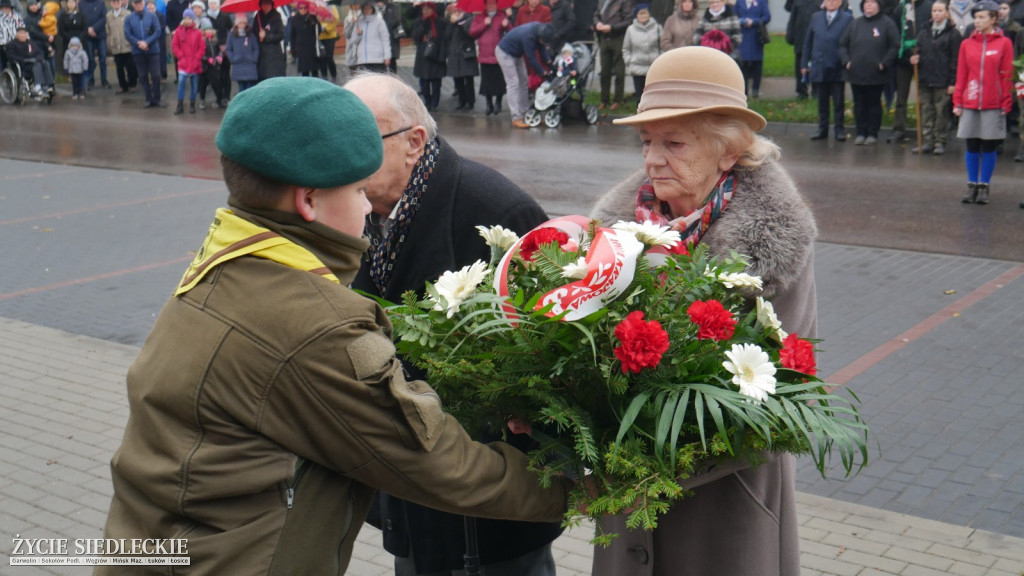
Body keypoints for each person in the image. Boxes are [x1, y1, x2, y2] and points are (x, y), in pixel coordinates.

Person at [96, 76, 572, 576]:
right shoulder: (312, 321)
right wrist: (578, 485)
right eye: (355, 190)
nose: (368, 206)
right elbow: (431, 460)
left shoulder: (222, 260)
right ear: (309, 202)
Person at [588, 45, 816, 576]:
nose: (651, 159)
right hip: (627, 511)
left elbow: (786, 392)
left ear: (727, 151)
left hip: (725, 508)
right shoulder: (616, 234)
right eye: (646, 141)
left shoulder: (776, 245)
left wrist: (640, 466)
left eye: (673, 143)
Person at [344, 70, 563, 576]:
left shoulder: (497, 212)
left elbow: (548, 361)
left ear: (414, 143)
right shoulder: (357, 209)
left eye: (362, 140)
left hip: (490, 511)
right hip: (409, 490)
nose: (344, 156)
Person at [953, 0, 1013, 204]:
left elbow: (1006, 74)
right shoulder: (966, 44)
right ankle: (971, 185)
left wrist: (1006, 101)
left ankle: (984, 185)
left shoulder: (1004, 43)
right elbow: (961, 74)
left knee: (988, 146)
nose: (977, 21)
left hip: (993, 102)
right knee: (971, 145)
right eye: (976, 17)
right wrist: (957, 100)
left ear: (993, 19)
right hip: (970, 100)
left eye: (982, 17)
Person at [840, 0, 899, 145]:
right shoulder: (855, 24)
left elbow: (894, 45)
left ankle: (872, 133)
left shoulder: (887, 23)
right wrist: (846, 61)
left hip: (876, 73)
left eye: (873, 3)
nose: (869, 6)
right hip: (856, 72)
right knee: (858, 104)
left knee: (873, 104)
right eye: (867, 3)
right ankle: (861, 132)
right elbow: (842, 44)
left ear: (879, 6)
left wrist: (884, 62)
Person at [910, 0, 961, 154]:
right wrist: (914, 58)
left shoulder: (953, 33)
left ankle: (940, 141)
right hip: (925, 78)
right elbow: (917, 50)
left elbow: (955, 59)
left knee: (941, 112)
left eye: (940, 11)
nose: (936, 13)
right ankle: (927, 141)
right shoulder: (924, 31)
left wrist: (952, 81)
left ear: (946, 13)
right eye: (934, 11)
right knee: (926, 110)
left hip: (942, 79)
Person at [802, 0, 853, 140]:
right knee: (822, 100)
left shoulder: (847, 18)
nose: (831, 2)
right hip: (819, 65)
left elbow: (850, 41)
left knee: (838, 101)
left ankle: (839, 129)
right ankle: (822, 129)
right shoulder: (816, 17)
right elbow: (808, 42)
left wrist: (847, 60)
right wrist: (804, 64)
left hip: (838, 66)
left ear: (840, 2)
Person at [890, 0, 934, 142]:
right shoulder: (900, 8)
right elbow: (895, 34)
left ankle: (925, 131)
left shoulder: (929, 7)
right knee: (901, 98)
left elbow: (931, 33)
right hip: (903, 59)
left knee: (924, 98)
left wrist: (921, 54)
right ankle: (899, 129)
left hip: (923, 59)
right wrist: (904, 57)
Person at [496, 21, 553, 127]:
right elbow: (531, 58)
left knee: (524, 81)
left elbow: (542, 48)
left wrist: (549, 62)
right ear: (539, 35)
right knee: (514, 83)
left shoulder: (540, 30)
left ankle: (526, 113)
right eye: (542, 40)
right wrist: (543, 72)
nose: (543, 42)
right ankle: (516, 117)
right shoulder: (528, 36)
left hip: (517, 53)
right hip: (505, 52)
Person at [470, 0, 510, 115]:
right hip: (485, 54)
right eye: (489, 3)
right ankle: (489, 103)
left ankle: (498, 102)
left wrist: (506, 25)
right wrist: (484, 24)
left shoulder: (502, 16)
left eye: (493, 3)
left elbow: (511, 31)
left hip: (499, 54)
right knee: (487, 81)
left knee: (499, 81)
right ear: (485, 5)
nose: (491, 6)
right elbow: (472, 32)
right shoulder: (479, 17)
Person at [593, 0, 635, 110]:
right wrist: (597, 23)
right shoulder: (602, 2)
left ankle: (618, 99)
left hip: (618, 38)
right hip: (604, 38)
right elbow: (596, 14)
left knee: (619, 72)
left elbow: (628, 20)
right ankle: (604, 100)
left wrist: (612, 27)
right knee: (604, 72)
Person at [124, 0, 165, 108]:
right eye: (136, 3)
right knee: (143, 76)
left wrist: (147, 42)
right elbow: (127, 34)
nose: (138, 5)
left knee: (156, 75)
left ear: (144, 3)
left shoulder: (152, 16)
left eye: (140, 3)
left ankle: (157, 99)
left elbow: (158, 31)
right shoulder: (129, 18)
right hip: (138, 51)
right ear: (133, 4)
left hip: (153, 51)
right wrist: (138, 43)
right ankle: (148, 99)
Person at [622, 3, 661, 101]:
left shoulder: (657, 28)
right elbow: (626, 48)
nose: (643, 16)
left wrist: (661, 60)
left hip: (653, 68)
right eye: (641, 14)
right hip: (637, 68)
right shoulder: (630, 30)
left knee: (653, 96)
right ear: (636, 16)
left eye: (645, 14)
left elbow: (663, 45)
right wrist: (629, 61)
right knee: (640, 97)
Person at [412, 2, 446, 110]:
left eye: (428, 9)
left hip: (436, 54)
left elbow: (443, 39)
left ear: (433, 10)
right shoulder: (419, 21)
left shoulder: (440, 22)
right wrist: (423, 26)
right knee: (424, 81)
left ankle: (435, 102)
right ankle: (427, 101)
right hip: (423, 55)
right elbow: (416, 37)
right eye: (424, 9)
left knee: (436, 81)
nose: (425, 11)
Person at [445, 4, 478, 110]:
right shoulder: (451, 20)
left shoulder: (469, 18)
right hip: (455, 53)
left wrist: (460, 25)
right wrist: (452, 24)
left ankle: (470, 101)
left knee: (468, 79)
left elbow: (472, 34)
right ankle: (461, 100)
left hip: (466, 52)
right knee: (458, 78)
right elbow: (447, 36)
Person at [735, 0, 770, 98]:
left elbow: (767, 17)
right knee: (743, 64)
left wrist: (754, 21)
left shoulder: (761, 2)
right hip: (743, 37)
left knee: (757, 64)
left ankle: (755, 90)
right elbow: (734, 16)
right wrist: (741, 21)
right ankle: (744, 90)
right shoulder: (739, 2)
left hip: (756, 37)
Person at [171, 7, 203, 114]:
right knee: (181, 84)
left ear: (193, 19)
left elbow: (202, 47)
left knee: (194, 86)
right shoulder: (179, 31)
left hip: (195, 63)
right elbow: (175, 45)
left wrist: (197, 57)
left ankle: (192, 105)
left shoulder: (198, 32)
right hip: (183, 63)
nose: (188, 20)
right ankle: (180, 105)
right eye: (186, 18)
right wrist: (180, 56)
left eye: (190, 18)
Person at [785, 0, 819, 99]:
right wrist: (790, 35)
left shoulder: (821, 2)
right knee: (800, 65)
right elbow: (792, 17)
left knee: (816, 65)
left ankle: (816, 90)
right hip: (800, 37)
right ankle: (801, 91)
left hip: (816, 38)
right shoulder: (798, 2)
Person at [8, 24, 55, 95]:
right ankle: (38, 86)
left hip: (34, 62)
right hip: (22, 65)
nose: (23, 35)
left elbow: (38, 53)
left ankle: (49, 86)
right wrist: (24, 60)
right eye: (21, 33)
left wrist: (38, 59)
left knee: (45, 63)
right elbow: (11, 56)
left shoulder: (31, 43)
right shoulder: (12, 44)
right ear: (17, 35)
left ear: (27, 35)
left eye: (24, 33)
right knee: (37, 65)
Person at [347, 0, 390, 73]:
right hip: (362, 59)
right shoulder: (359, 23)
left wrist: (387, 56)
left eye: (369, 8)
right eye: (365, 8)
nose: (367, 10)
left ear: (373, 9)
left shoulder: (379, 22)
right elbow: (353, 41)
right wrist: (358, 34)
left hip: (377, 59)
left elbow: (385, 39)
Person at [106, 0, 138, 94]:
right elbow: (108, 29)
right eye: (114, 2)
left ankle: (132, 85)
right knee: (119, 68)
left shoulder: (128, 14)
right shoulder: (108, 16)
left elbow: (132, 28)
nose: (116, 4)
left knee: (131, 67)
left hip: (127, 44)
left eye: (118, 2)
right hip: (116, 45)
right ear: (111, 4)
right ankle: (122, 86)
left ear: (121, 3)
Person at [206, 0, 232, 104]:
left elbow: (231, 30)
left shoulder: (225, 16)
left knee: (225, 74)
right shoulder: (206, 18)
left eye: (215, 3)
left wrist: (227, 43)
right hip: (212, 50)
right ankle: (218, 98)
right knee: (216, 76)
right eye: (211, 3)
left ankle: (227, 97)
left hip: (224, 49)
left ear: (218, 5)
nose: (213, 5)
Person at [225, 11, 258, 92]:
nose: (242, 25)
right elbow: (228, 48)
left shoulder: (250, 34)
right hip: (238, 64)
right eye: (240, 23)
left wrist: (254, 58)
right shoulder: (232, 34)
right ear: (236, 24)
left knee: (250, 88)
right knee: (241, 89)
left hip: (250, 65)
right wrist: (232, 59)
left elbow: (256, 48)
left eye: (244, 23)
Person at [80, 0, 108, 89]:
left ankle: (104, 80)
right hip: (88, 36)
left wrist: (94, 28)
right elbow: (81, 17)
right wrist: (88, 29)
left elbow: (104, 18)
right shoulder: (81, 3)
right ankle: (90, 80)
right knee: (90, 59)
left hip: (100, 35)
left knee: (103, 59)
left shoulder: (101, 3)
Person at [254, 0, 285, 81]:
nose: (266, 6)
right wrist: (259, 35)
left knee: (274, 78)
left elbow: (281, 35)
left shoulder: (276, 16)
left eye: (268, 4)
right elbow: (254, 33)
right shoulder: (257, 17)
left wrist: (266, 36)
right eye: (263, 4)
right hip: (261, 55)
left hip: (274, 54)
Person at [289, 0, 321, 77]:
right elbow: (292, 35)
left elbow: (318, 31)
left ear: (307, 8)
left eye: (305, 8)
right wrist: (293, 49)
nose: (303, 9)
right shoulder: (294, 19)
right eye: (301, 8)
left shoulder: (312, 18)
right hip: (301, 49)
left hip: (312, 48)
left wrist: (315, 21)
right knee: (304, 72)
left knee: (314, 71)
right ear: (298, 8)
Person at [197, 21, 225, 107]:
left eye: (210, 29)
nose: (209, 31)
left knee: (216, 83)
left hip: (214, 66)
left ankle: (219, 100)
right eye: (206, 30)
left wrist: (220, 56)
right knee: (203, 84)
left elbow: (219, 51)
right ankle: (202, 100)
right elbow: (200, 53)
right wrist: (206, 59)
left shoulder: (215, 41)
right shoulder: (201, 41)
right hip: (204, 66)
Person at [57, 0, 86, 74]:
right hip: (67, 41)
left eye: (72, 2)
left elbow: (85, 28)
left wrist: (79, 39)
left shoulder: (81, 15)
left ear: (75, 3)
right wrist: (70, 39)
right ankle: (69, 75)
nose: (71, 4)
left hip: (80, 40)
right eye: (69, 2)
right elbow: (61, 30)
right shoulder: (63, 16)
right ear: (66, 4)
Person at [377, 0, 402, 74]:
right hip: (379, 42)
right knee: (380, 67)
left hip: (391, 40)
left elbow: (396, 21)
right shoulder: (375, 8)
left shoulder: (394, 7)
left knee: (392, 65)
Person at [317, 0, 339, 81]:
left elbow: (335, 19)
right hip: (319, 36)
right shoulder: (315, 7)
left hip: (329, 36)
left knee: (329, 57)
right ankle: (324, 76)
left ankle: (334, 75)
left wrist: (326, 27)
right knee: (321, 58)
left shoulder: (331, 6)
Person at [146, 0, 168, 81]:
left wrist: (151, 31)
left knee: (161, 58)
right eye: (148, 5)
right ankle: (153, 77)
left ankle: (163, 75)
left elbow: (162, 27)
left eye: (151, 5)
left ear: (154, 6)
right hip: (149, 41)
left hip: (160, 40)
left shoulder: (160, 15)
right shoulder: (146, 16)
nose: (150, 7)